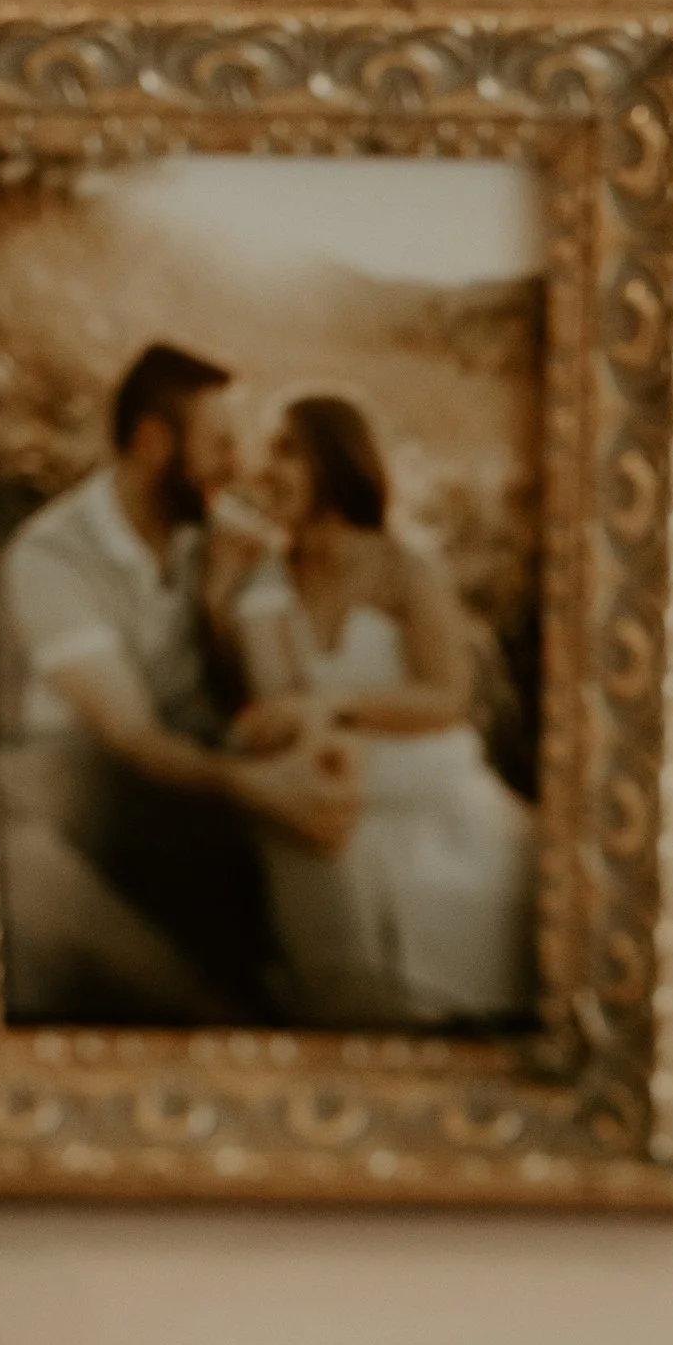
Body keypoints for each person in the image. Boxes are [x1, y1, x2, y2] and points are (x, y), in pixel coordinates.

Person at [0, 341, 356, 1021]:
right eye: (219, 444)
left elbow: (264, 689)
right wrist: (253, 786)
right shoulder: (52, 558)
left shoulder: (209, 531)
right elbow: (130, 736)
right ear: (155, 444)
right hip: (86, 787)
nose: (237, 465)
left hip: (189, 780)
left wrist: (221, 610)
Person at [211, 391, 537, 1026]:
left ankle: (349, 994)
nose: (264, 470)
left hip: (422, 770)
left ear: (335, 459)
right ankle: (338, 991)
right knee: (295, 788)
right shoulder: (266, 578)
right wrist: (221, 591)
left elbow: (448, 699)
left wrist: (337, 705)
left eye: (287, 450)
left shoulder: (405, 569)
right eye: (265, 453)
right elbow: (268, 701)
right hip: (327, 769)